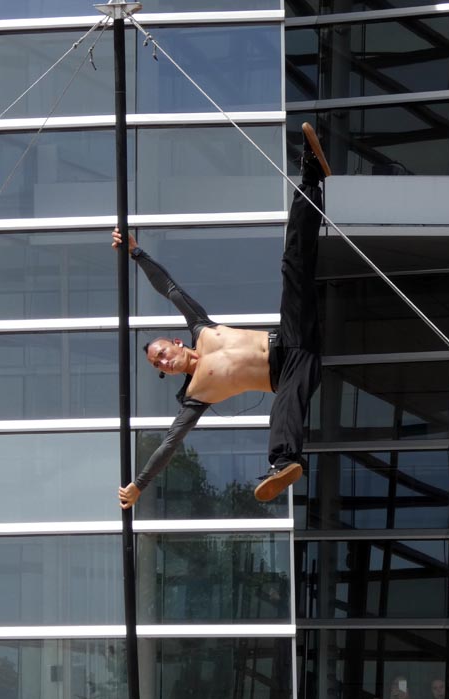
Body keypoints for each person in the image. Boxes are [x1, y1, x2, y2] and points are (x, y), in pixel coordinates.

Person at [115, 133, 329, 508]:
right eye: (158, 365)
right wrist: (139, 485)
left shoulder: (201, 328)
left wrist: (137, 253)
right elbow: (169, 443)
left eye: (162, 352)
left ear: (176, 343)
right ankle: (284, 463)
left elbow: (169, 288)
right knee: (284, 408)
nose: (163, 361)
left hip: (291, 335)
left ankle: (311, 178)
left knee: (293, 266)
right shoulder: (195, 396)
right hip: (289, 373)